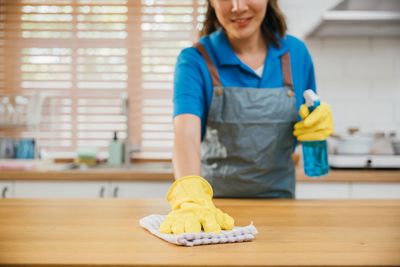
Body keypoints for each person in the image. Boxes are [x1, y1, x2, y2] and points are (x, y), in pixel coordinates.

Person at [159, 0, 333, 234]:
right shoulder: (195, 60)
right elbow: (185, 134)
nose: (237, 7)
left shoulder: (296, 54)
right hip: (214, 212)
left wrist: (314, 128)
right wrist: (192, 199)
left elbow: (303, 126)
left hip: (282, 206)